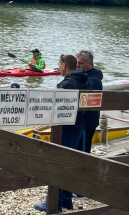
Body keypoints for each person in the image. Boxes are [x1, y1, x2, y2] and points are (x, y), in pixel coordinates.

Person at [33, 54, 88, 213]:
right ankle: (66, 200)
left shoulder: (68, 83)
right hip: (77, 126)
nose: (57, 66)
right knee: (68, 163)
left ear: (64, 65)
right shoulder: (82, 80)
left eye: (58, 64)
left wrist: (43, 126)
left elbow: (58, 110)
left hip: (67, 128)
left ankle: (52, 204)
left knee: (57, 164)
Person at [76, 50, 103, 154]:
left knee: (82, 152)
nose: (78, 65)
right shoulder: (83, 76)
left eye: (81, 63)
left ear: (90, 63)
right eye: (76, 63)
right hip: (81, 122)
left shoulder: (93, 81)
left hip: (86, 123)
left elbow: (88, 106)